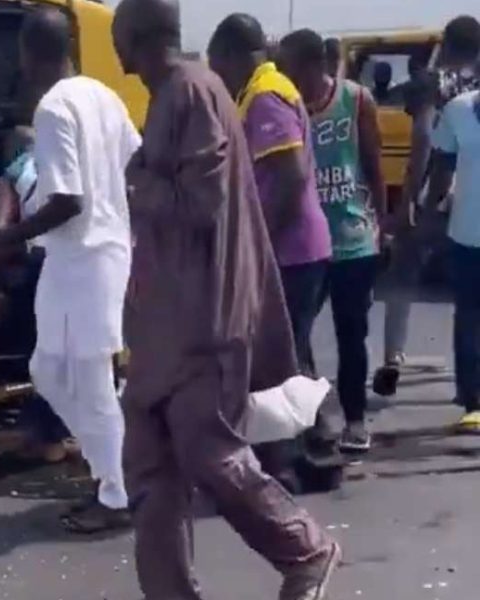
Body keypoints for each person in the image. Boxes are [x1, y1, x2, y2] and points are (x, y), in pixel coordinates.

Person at [112, 1, 339, 598]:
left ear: (130, 36)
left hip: (200, 322)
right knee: (150, 469)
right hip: (165, 325)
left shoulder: (190, 90)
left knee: (209, 452)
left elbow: (200, 204)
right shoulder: (178, 93)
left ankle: (304, 548)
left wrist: (136, 178)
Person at [0, 8, 139, 533]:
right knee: (50, 372)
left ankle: (118, 494)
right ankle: (115, 469)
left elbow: (67, 200)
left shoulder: (52, 108)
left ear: (28, 52)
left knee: (88, 383)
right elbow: (136, 167)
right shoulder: (104, 96)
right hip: (92, 257)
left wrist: (2, 238)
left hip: (84, 260)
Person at [279, 29, 387, 454]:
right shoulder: (285, 105)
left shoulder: (356, 100)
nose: (284, 75)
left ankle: (355, 420)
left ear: (314, 65)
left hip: (353, 240)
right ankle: (314, 418)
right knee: (295, 335)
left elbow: (373, 164)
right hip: (305, 243)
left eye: (290, 66)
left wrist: (385, 224)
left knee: (351, 334)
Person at [208, 14, 332, 379]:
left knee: (280, 360)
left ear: (233, 55)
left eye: (218, 68)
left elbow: (290, 177)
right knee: (293, 352)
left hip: (291, 250)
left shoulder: (265, 96)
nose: (220, 81)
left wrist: (258, 243)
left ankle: (296, 434)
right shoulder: (262, 90)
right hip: (297, 248)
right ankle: (314, 430)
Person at [375, 16, 480, 397]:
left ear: (446, 45)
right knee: (468, 295)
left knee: (403, 274)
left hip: (430, 194)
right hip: (469, 200)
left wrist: (406, 204)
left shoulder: (429, 83)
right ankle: (466, 374)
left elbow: (422, 141)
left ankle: (392, 358)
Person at [0, 126, 75, 463]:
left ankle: (46, 440)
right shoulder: (70, 164)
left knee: (42, 355)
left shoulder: (15, 173)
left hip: (40, 267)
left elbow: (0, 229)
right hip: (80, 266)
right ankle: (69, 434)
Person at [423, 15, 480, 432]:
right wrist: (428, 215)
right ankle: (472, 399)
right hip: (468, 235)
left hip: (465, 231)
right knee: (469, 316)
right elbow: (441, 167)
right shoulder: (458, 110)